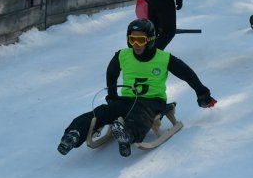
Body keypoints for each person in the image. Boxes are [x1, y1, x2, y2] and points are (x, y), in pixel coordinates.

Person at [57, 19, 216, 158]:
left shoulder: (163, 58)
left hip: (153, 101)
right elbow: (111, 73)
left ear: (151, 40)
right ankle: (74, 133)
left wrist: (202, 93)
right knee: (102, 111)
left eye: (141, 40)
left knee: (141, 115)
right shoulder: (122, 55)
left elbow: (186, 73)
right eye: (133, 40)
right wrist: (112, 96)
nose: (136, 45)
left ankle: (127, 134)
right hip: (127, 98)